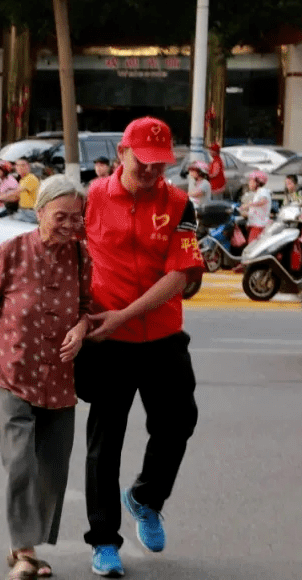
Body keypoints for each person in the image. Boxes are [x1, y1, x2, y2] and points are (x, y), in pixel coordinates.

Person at [77, 116, 204, 578]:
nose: (152, 172)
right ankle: (104, 541)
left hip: (162, 335)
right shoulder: (90, 199)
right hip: (107, 342)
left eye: (160, 164)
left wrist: (125, 316)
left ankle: (147, 498)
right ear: (121, 156)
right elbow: (69, 255)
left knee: (179, 422)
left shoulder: (179, 203)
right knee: (104, 443)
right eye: (143, 162)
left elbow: (181, 275)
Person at [0, 175, 93, 580]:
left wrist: (81, 329)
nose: (68, 226)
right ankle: (24, 550)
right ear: (40, 211)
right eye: (60, 217)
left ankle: (29, 543)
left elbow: (86, 306)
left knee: (54, 465)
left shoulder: (81, 257)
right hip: (12, 370)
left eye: (75, 219)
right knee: (19, 462)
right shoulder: (12, 252)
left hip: (60, 376)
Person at [0, 158, 40, 222]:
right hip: (22, 211)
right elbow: (16, 197)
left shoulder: (30, 178)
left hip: (29, 213)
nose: (20, 167)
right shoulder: (23, 179)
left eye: (23, 165)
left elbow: (15, 192)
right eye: (17, 165)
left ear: (28, 166)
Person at [240, 170, 272, 243]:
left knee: (251, 248)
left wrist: (248, 205)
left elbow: (263, 201)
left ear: (257, 182)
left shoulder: (263, 191)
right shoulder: (257, 193)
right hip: (254, 225)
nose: (249, 183)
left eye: (250, 181)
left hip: (259, 226)